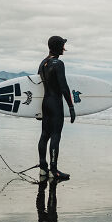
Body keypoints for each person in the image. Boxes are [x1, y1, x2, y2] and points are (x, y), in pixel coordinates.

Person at [37, 35, 75, 180]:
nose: (64, 48)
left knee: (44, 135)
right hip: (55, 104)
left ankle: (43, 168)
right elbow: (64, 87)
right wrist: (71, 107)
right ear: (59, 47)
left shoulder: (43, 63)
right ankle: (54, 170)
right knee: (55, 135)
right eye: (63, 45)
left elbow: (38, 86)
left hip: (45, 103)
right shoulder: (58, 64)